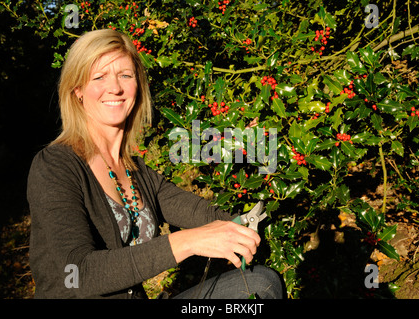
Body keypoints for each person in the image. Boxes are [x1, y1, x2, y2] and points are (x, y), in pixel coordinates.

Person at [27, 29, 283, 299]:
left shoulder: (138, 173)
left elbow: (208, 216)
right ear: (78, 90)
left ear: (138, 87)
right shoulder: (55, 166)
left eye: (125, 75)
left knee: (262, 284)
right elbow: (78, 274)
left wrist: (249, 149)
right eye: (99, 76)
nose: (115, 87)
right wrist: (188, 241)